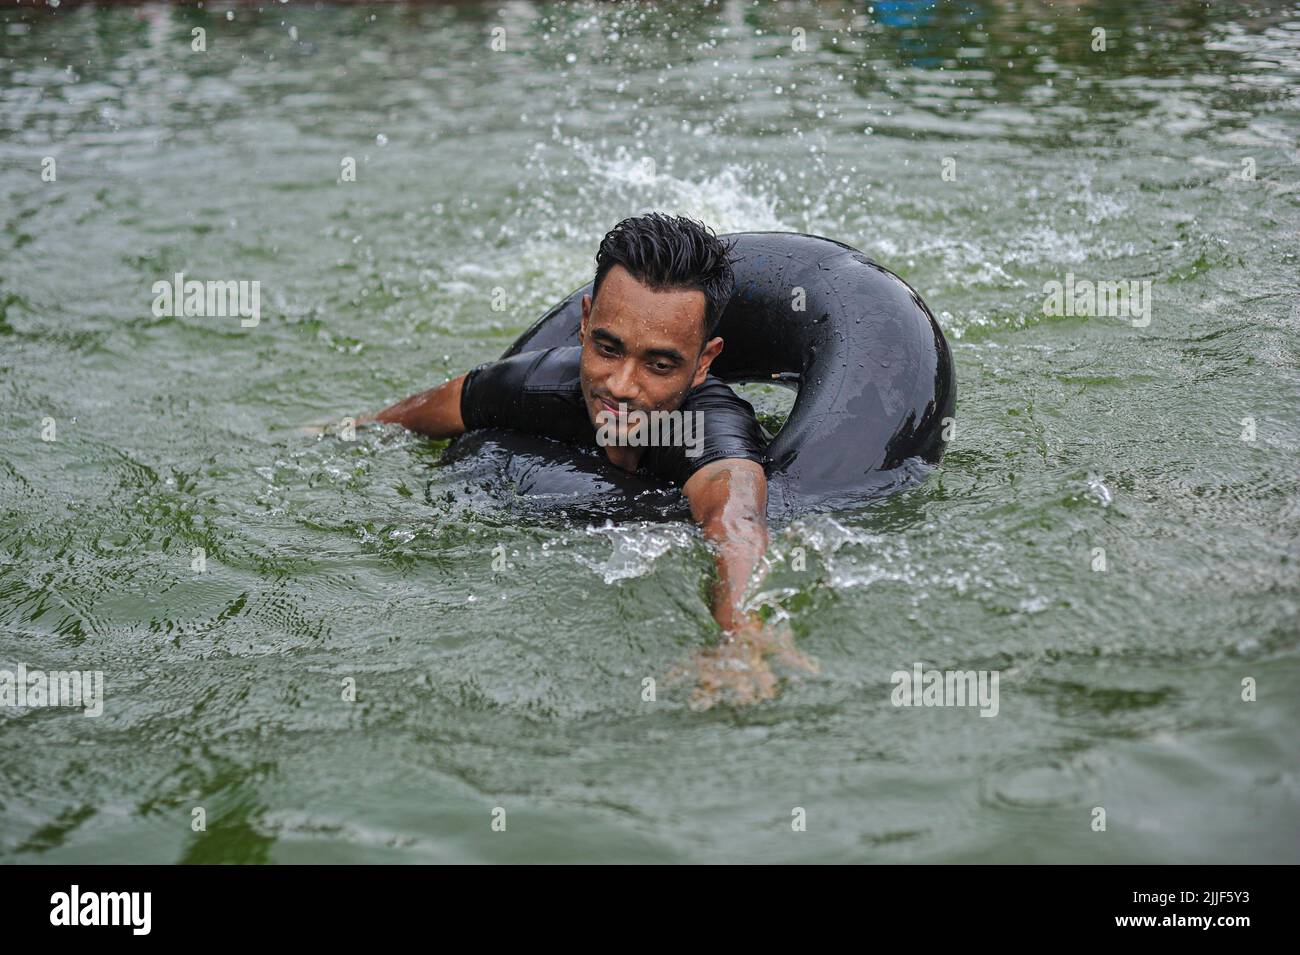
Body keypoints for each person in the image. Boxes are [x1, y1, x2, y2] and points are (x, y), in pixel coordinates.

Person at [360, 213, 815, 705]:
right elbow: (397, 420)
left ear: (704, 362)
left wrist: (738, 636)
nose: (621, 385)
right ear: (583, 323)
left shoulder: (706, 430)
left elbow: (737, 519)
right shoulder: (532, 384)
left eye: (659, 365)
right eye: (607, 348)